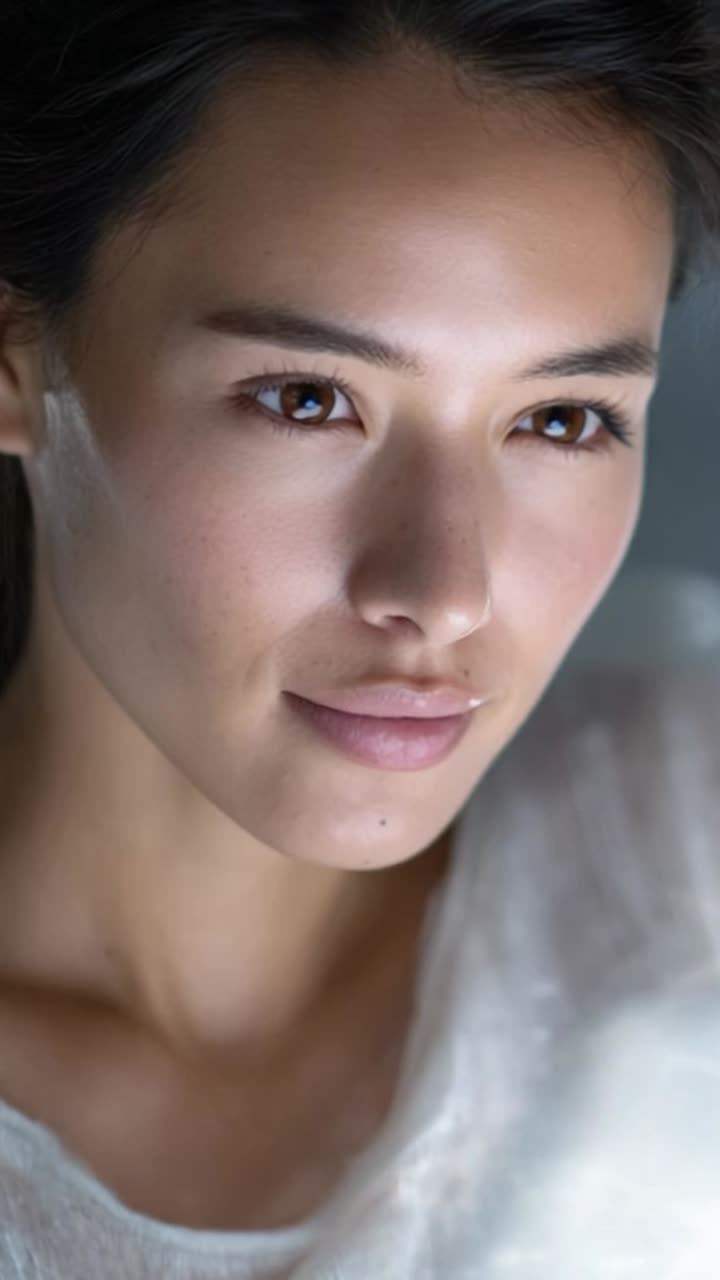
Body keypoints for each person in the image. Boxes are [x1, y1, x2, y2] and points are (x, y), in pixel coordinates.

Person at [0, 1, 719, 1275]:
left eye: (562, 420)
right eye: (306, 399)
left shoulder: (684, 837)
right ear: (16, 356)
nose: (443, 591)